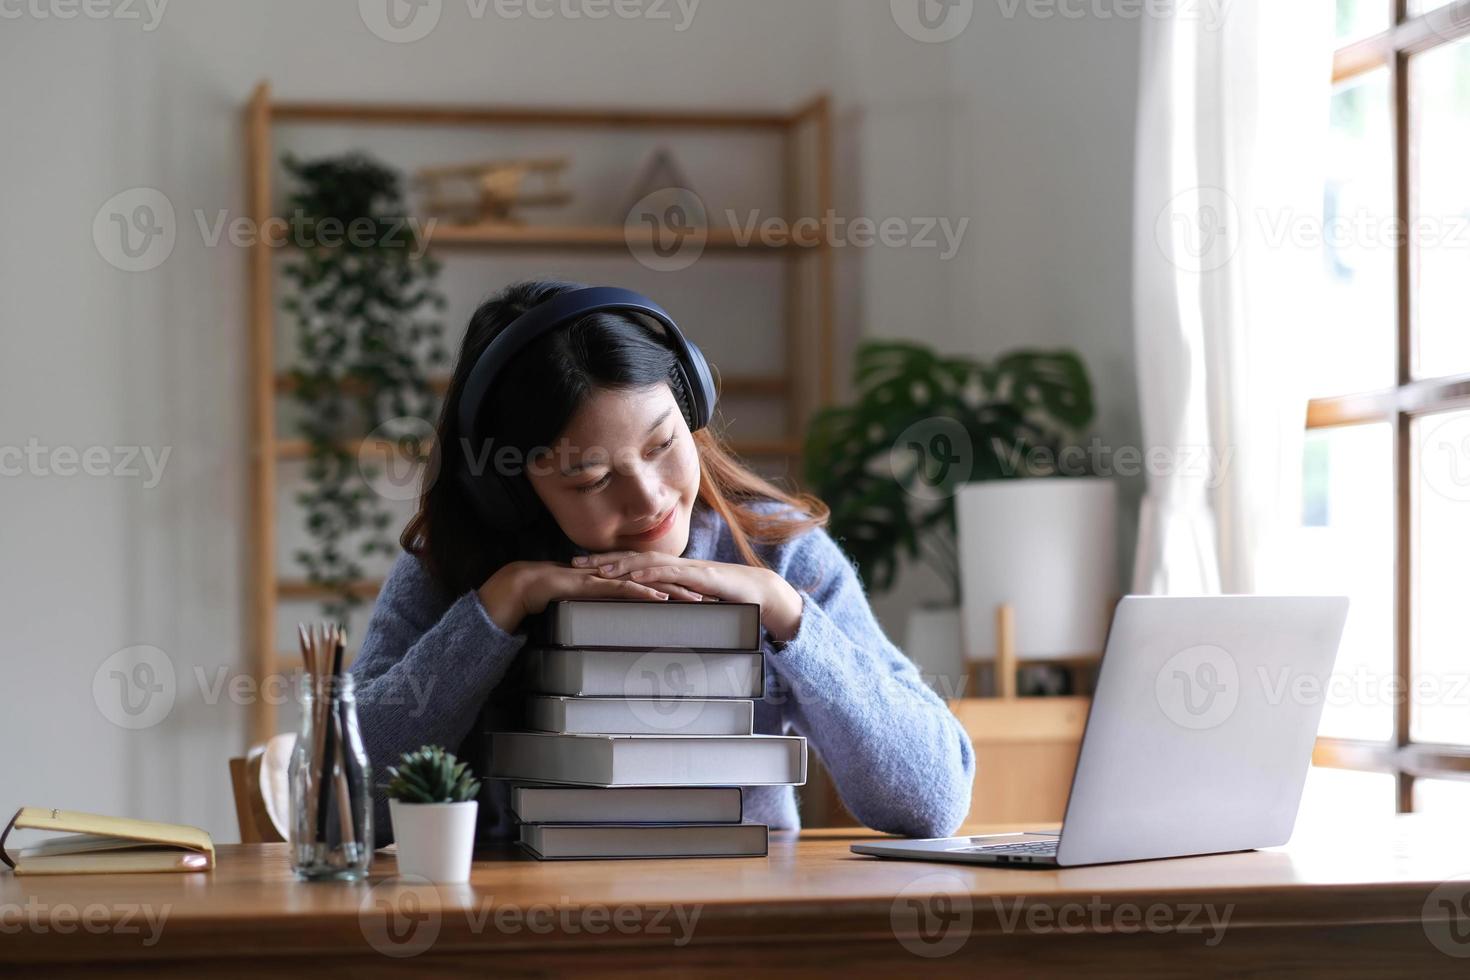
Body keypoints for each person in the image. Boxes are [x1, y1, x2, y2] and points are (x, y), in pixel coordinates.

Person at [350, 279, 974, 846]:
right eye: (589, 477)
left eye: (663, 444)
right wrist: (498, 607)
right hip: (521, 934)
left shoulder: (779, 552)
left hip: (749, 927)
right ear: (510, 490)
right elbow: (345, 807)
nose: (648, 498)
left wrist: (788, 615)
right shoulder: (458, 569)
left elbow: (933, 803)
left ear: (691, 408)